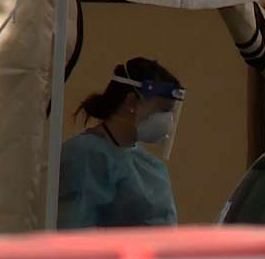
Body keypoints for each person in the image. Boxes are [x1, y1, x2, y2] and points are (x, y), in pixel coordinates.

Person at [58, 58, 185, 229]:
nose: (167, 120)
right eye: (163, 110)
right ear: (131, 101)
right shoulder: (85, 156)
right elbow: (74, 236)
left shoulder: (149, 165)